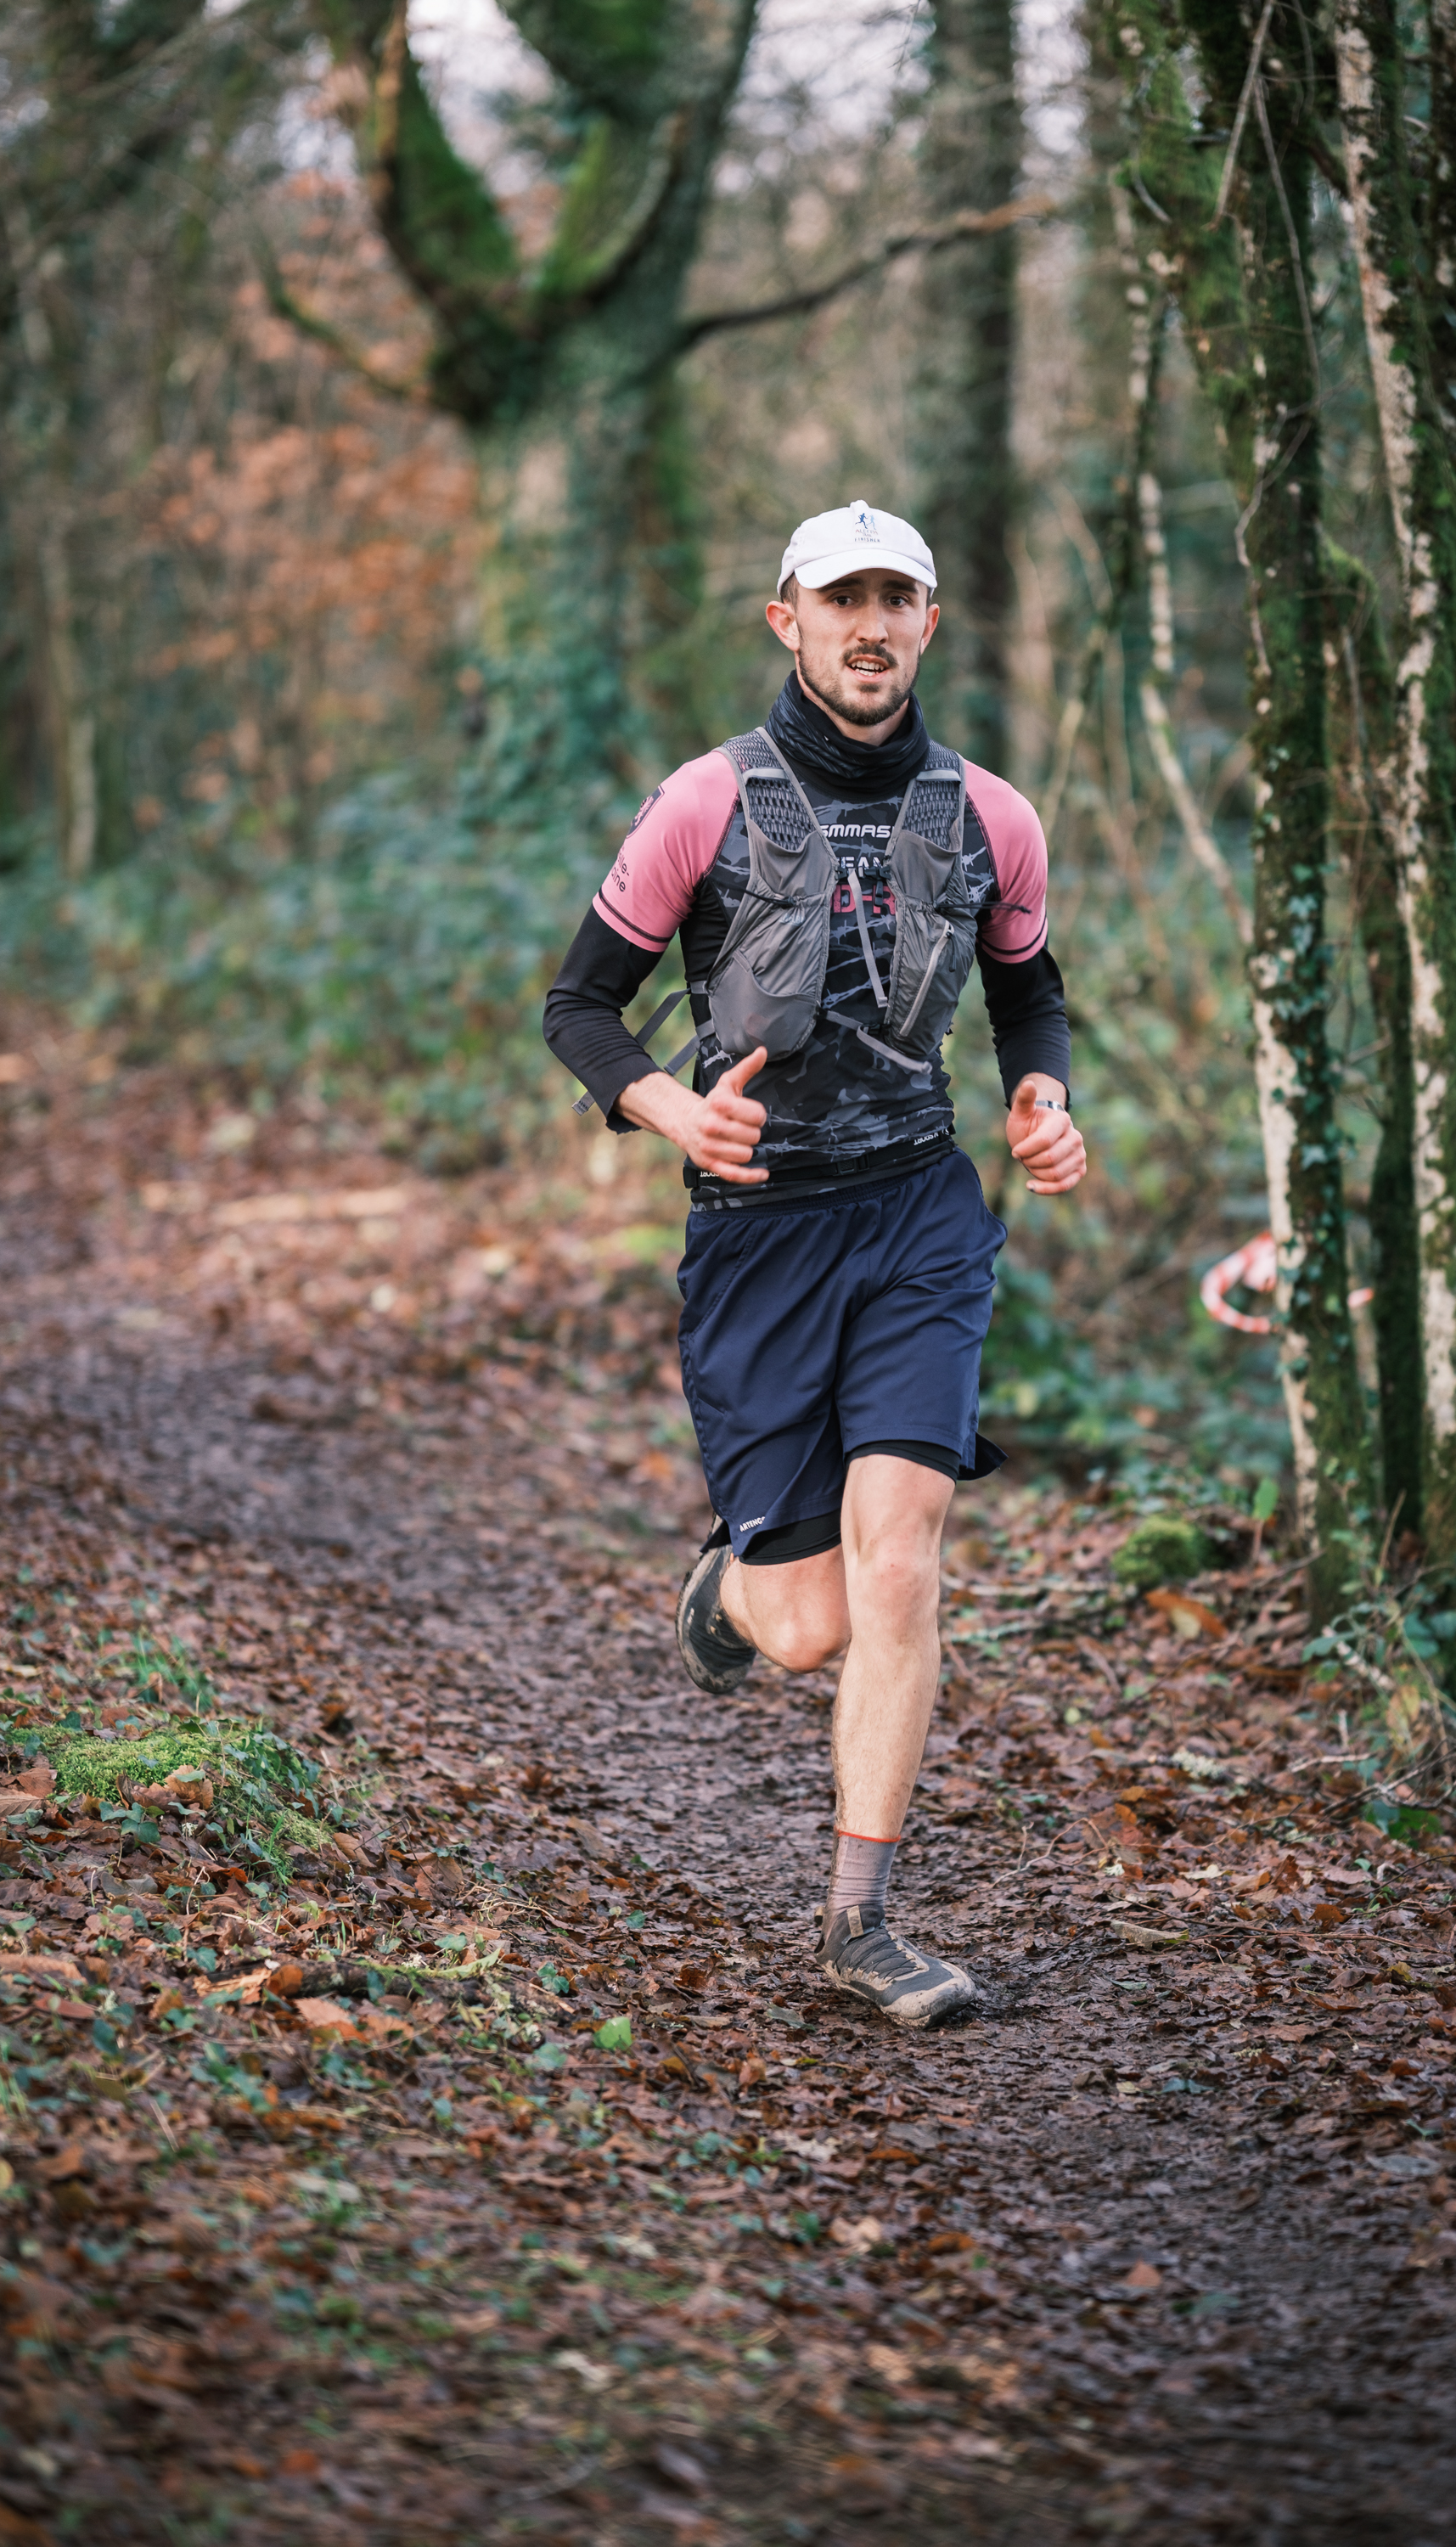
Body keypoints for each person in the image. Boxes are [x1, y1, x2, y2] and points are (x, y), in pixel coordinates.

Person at [544, 499, 1087, 2028]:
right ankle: (733, 1594)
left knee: (904, 1554)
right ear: (788, 619)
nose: (870, 624)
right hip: (762, 1235)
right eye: (840, 598)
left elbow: (1030, 995)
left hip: (919, 1216)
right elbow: (579, 1006)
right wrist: (665, 1108)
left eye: (895, 598)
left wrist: (1043, 1098)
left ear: (929, 624)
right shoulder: (705, 802)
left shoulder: (994, 817)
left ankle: (861, 1922)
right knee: (808, 1626)